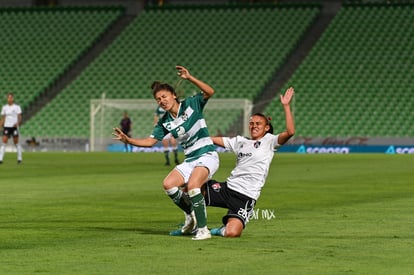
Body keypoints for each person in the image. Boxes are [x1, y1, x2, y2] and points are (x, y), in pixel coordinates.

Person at [113, 65, 219, 240]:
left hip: (207, 155)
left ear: (174, 95)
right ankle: (191, 215)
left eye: (164, 96)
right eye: (158, 99)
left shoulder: (192, 104)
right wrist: (128, 140)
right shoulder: (164, 122)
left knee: (193, 186)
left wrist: (190, 78)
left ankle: (203, 230)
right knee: (168, 184)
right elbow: (149, 141)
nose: (161, 100)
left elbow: (210, 92)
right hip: (191, 159)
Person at [203, 87, 295, 238]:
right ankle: (191, 224)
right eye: (251, 123)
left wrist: (286, 106)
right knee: (192, 189)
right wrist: (199, 135)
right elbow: (214, 139)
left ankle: (219, 230)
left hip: (245, 196)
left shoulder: (269, 141)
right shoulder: (241, 141)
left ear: (266, 128)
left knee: (232, 233)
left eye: (258, 123)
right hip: (228, 188)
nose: (254, 126)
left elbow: (290, 132)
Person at [0, 93, 23, 164]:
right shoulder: (4, 107)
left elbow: (20, 117)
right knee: (4, 142)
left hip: (14, 127)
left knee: (16, 142)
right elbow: (3, 118)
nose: (9, 99)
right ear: (7, 99)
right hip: (7, 126)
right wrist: (0, 126)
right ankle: (0, 159)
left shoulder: (17, 107)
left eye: (11, 98)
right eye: (8, 98)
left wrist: (18, 123)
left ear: (13, 99)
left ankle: (19, 158)